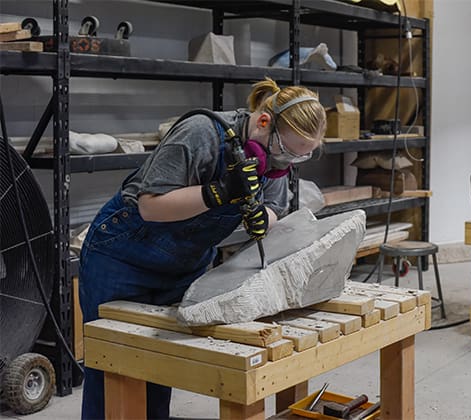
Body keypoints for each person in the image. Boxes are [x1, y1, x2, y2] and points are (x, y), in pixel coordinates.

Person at [78, 78, 326, 419]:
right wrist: (219, 193)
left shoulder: (273, 157)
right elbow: (151, 206)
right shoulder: (201, 132)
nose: (286, 162)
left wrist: (262, 218)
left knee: (158, 368)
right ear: (264, 123)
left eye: (300, 156)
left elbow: (275, 208)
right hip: (122, 257)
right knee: (112, 370)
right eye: (286, 151)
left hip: (184, 266)